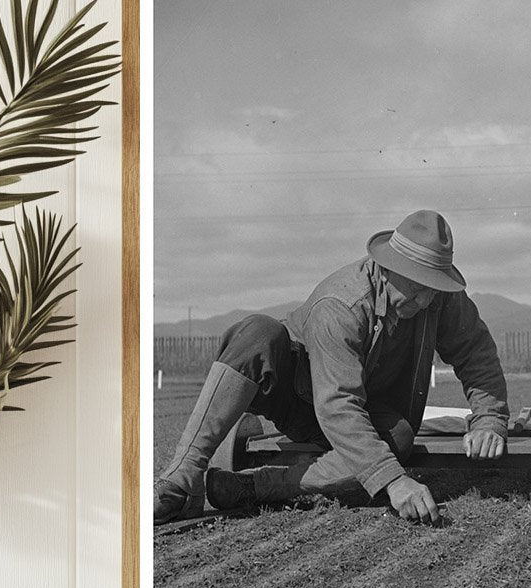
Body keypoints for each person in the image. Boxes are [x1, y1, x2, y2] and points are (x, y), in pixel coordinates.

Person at [154, 209, 509, 526]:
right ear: (387, 270)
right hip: (301, 396)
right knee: (257, 334)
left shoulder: (438, 298)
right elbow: (337, 403)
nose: (425, 300)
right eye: (417, 288)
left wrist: (489, 418)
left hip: (362, 406)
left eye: (433, 289)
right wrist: (394, 480)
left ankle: (252, 485)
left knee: (397, 438)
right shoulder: (342, 304)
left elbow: (475, 351)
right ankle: (182, 477)